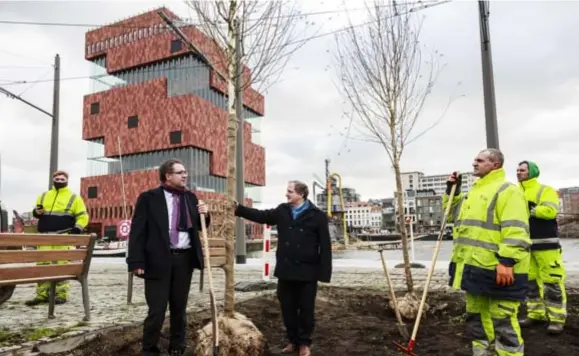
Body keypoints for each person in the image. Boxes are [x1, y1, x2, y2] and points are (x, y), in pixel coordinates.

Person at [444, 149, 531, 356]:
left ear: (495, 165)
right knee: (476, 319)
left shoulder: (507, 191)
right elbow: (450, 217)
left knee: (503, 322)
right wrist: (452, 191)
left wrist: (507, 261)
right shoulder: (473, 193)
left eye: (480, 160)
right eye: (474, 159)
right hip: (474, 268)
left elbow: (516, 229)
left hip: (500, 269)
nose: (474, 163)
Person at [234, 180, 332, 356]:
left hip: (307, 271)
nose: (286, 194)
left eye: (290, 191)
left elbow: (325, 246)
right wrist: (239, 209)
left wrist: (324, 273)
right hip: (286, 270)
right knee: (287, 308)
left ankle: (304, 343)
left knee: (306, 309)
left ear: (301, 194)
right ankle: (292, 341)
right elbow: (262, 215)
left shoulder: (317, 216)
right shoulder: (282, 210)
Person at [126, 159, 209, 356]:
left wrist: (205, 215)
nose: (185, 175)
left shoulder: (190, 197)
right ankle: (149, 350)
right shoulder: (149, 198)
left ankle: (177, 348)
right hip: (157, 261)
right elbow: (138, 231)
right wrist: (136, 261)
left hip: (184, 260)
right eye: (180, 172)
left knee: (179, 309)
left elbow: (198, 225)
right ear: (167, 176)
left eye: (185, 172)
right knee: (157, 311)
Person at [516, 160, 566, 334]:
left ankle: (556, 318)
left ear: (532, 172)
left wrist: (528, 209)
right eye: (517, 169)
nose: (518, 172)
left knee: (552, 282)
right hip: (525, 245)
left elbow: (550, 211)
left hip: (546, 243)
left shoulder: (545, 190)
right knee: (530, 283)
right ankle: (535, 314)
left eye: (522, 170)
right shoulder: (514, 191)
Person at [26, 170, 89, 306]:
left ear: (66, 180)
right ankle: (42, 294)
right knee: (43, 266)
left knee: (61, 265)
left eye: (62, 179)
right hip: (44, 237)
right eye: (57, 179)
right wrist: (36, 212)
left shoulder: (74, 197)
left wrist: (78, 227)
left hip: (62, 237)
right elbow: (37, 212)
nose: (59, 181)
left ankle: (60, 294)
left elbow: (83, 215)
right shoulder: (43, 196)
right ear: (53, 179)